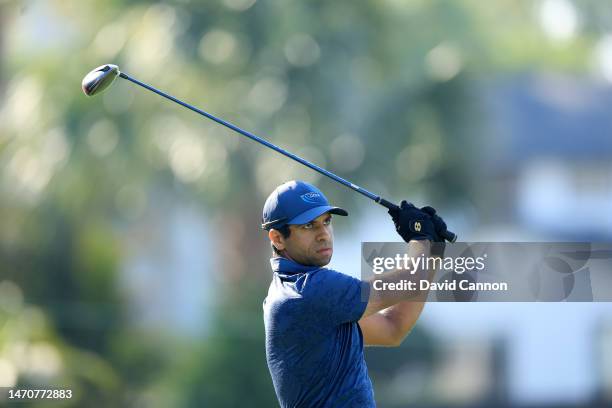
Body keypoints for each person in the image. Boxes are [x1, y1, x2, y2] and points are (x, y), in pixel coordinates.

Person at [261, 180, 449, 408]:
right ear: (277, 238)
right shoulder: (307, 290)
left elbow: (393, 328)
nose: (323, 234)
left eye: (326, 222)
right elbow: (412, 280)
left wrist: (433, 249)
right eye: (308, 226)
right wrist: (420, 238)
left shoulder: (307, 296)